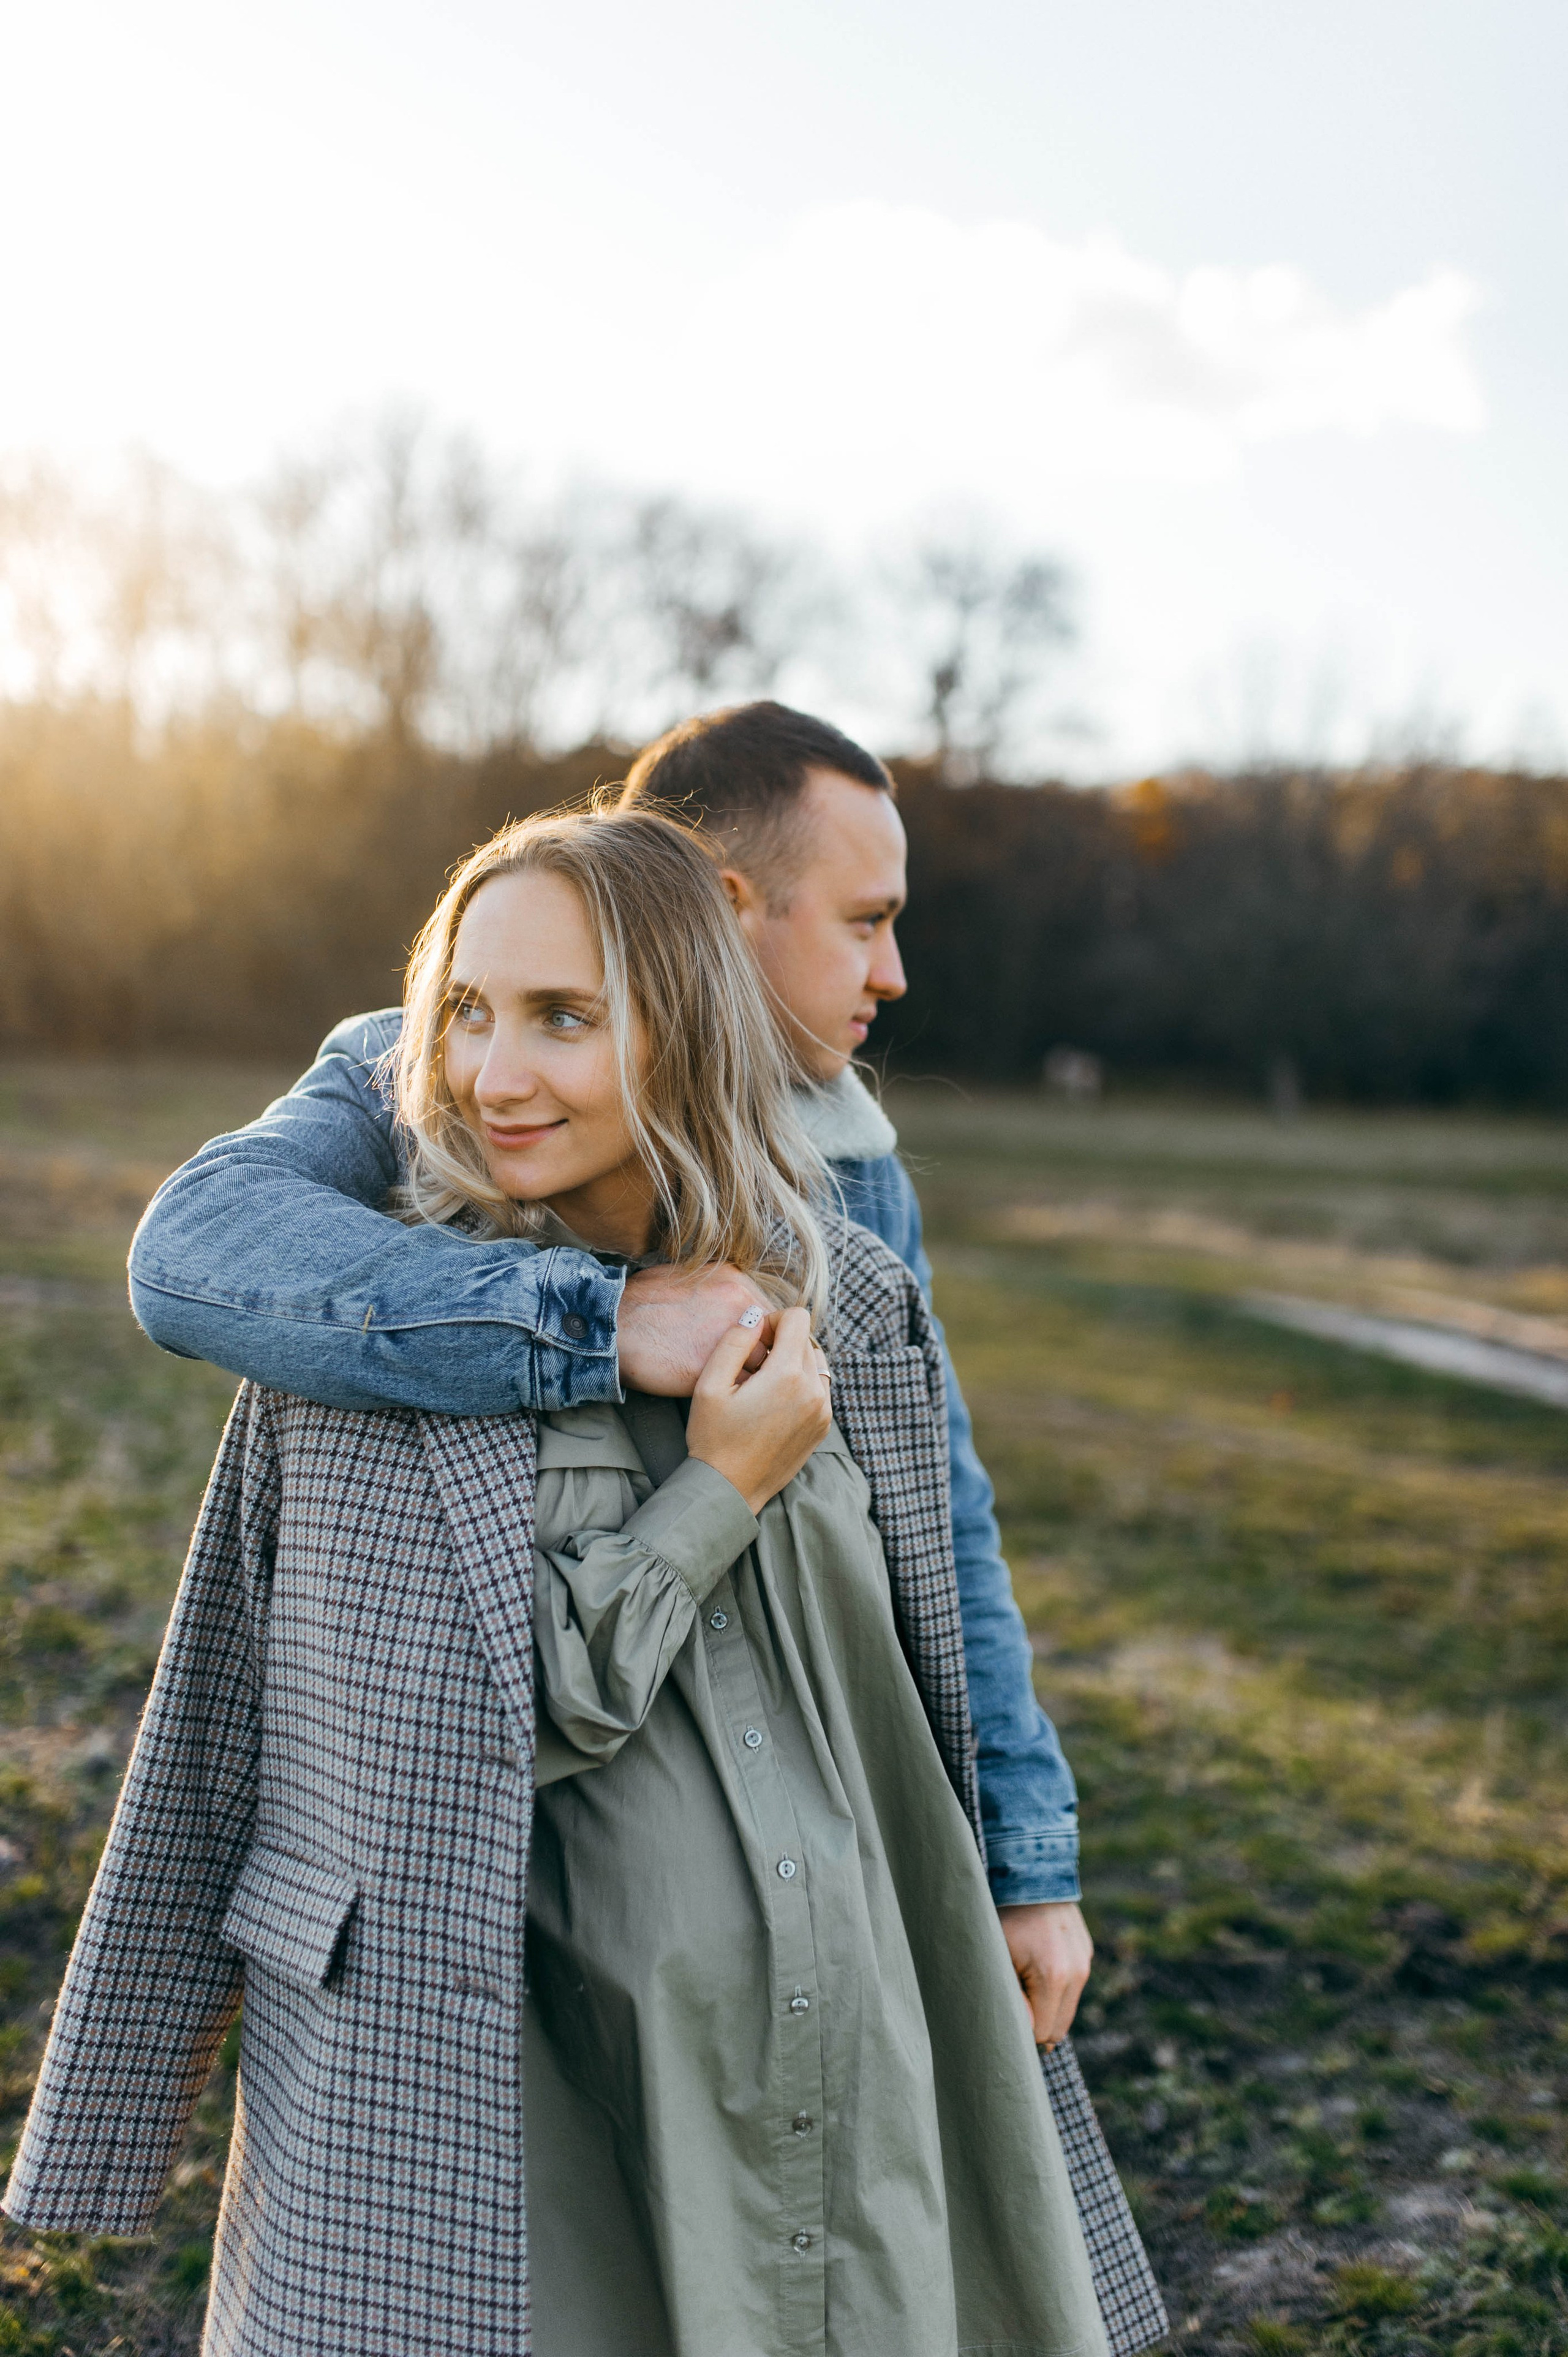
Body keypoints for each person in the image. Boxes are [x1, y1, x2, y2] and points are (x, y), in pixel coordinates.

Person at [8, 809, 1133, 2356]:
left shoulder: (848, 1300)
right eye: (467, 1012)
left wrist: (1018, 1860)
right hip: (541, 2077)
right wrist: (716, 1492)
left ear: (684, 1023)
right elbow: (464, 1724)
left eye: (562, 1017)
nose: (491, 1074)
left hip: (852, 2023)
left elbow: (922, 1650)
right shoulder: (374, 1334)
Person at [126, 702, 1090, 2049]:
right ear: (729, 903)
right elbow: (190, 1249)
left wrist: (1024, 1857)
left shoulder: (855, 1169)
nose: (894, 973)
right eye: (864, 920)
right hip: (468, 1884)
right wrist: (597, 1317)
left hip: (773, 1887)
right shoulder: (420, 1072)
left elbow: (942, 1517)